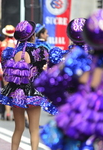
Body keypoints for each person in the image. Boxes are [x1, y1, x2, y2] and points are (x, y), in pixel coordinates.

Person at [39, 9, 103, 149]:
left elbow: (45, 84)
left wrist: (67, 103)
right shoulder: (81, 60)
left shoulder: (73, 60)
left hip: (78, 121)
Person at [0, 20, 57, 150]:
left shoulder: (11, 52)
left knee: (18, 128)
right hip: (33, 93)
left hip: (17, 92)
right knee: (34, 129)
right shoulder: (40, 51)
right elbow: (44, 70)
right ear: (33, 36)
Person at [0, 24, 16, 120]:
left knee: (7, 91)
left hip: (5, 70)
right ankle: (16, 112)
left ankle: (7, 113)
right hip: (16, 71)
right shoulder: (17, 44)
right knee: (15, 91)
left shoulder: (0, 44)